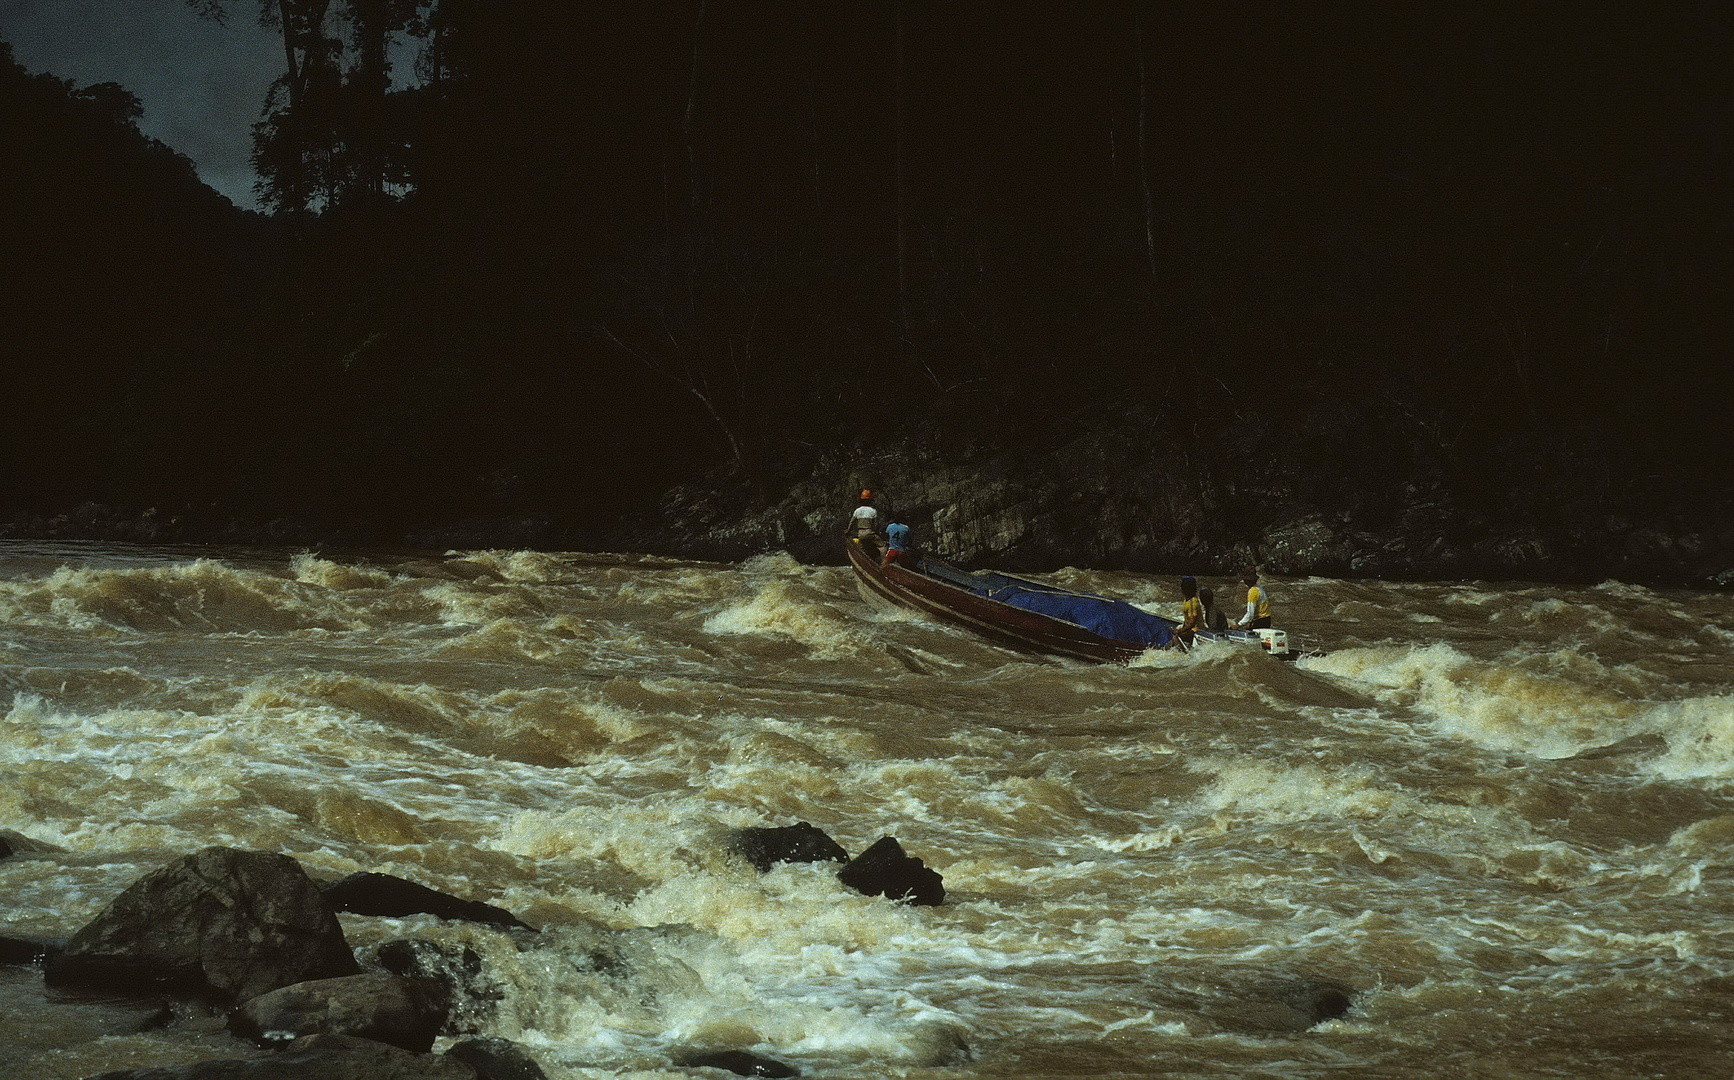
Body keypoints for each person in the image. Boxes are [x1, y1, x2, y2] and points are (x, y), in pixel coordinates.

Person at [1229, 566, 1272, 630]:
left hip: (1260, 622)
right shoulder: (1259, 588)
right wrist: (1249, 622)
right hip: (1267, 620)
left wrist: (1238, 625)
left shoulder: (1252, 592)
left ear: (1246, 580)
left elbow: (1250, 613)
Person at [1172, 575, 1201, 647]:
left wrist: (1179, 631)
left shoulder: (1192, 603)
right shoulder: (1187, 599)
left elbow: (1192, 623)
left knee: (1175, 637)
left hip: (1196, 630)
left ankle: (1181, 653)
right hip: (1190, 628)